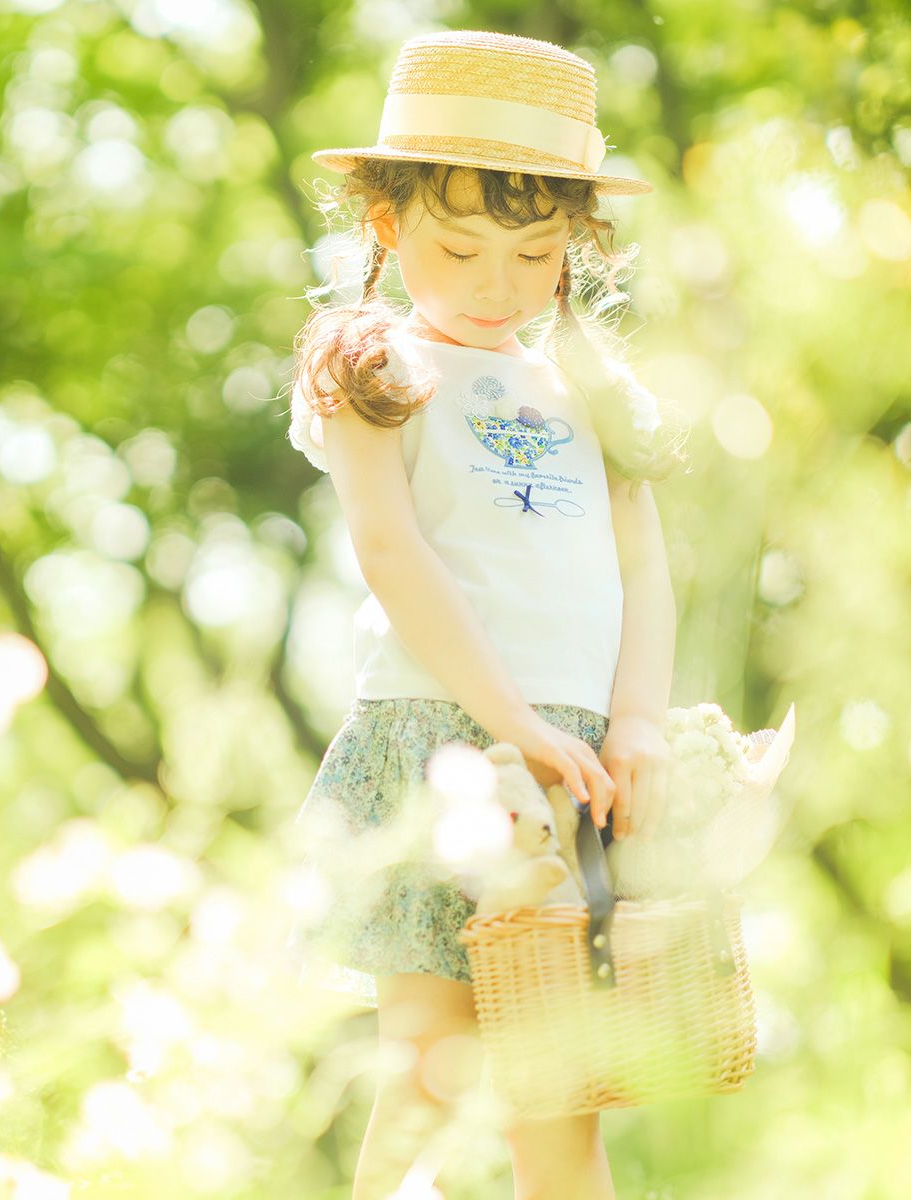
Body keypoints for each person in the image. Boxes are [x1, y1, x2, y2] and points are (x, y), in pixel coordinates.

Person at [284, 29, 691, 1200]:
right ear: (386, 224)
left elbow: (642, 569)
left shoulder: (589, 390)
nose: (493, 284)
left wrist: (640, 724)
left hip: (579, 766)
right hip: (445, 742)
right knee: (427, 1071)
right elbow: (389, 548)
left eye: (534, 253)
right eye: (458, 247)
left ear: (572, 246)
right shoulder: (375, 363)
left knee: (558, 1099)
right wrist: (506, 718)